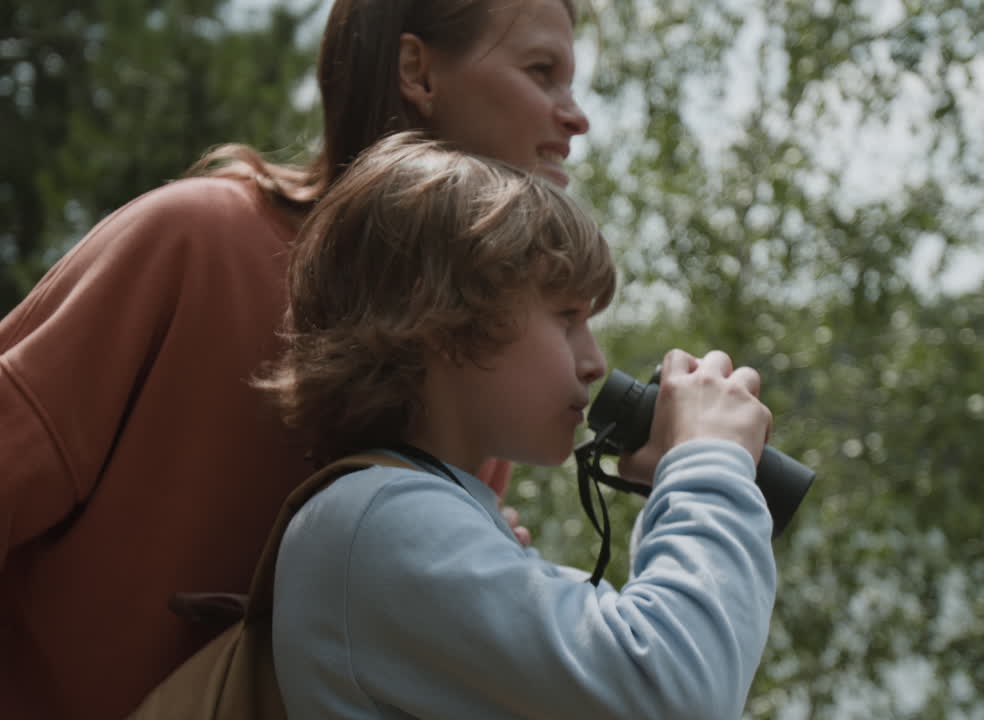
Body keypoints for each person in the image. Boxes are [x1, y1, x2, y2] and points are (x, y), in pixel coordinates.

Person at [0, 0, 589, 717]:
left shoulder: (468, 360)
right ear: (417, 71)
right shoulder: (195, 242)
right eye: (542, 72)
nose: (576, 116)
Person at [260, 132, 777, 719]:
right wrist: (710, 460)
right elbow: (678, 690)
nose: (594, 361)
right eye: (566, 318)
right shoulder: (381, 519)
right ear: (443, 322)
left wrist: (676, 490)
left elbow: (638, 663)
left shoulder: (405, 516)